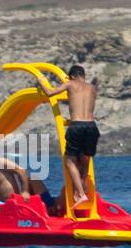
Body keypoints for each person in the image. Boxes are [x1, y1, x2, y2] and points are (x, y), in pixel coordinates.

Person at [37, 64, 99, 205]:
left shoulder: (70, 83)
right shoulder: (92, 88)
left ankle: (81, 194)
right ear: (83, 75)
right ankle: (80, 191)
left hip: (76, 125)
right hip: (91, 126)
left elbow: (50, 93)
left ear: (72, 76)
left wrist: (41, 82)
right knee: (84, 163)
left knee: (69, 161)